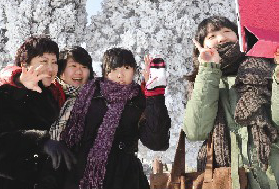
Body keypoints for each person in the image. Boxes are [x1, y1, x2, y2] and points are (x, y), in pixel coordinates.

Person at [183, 16, 279, 189]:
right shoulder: (199, 83)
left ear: (240, 37)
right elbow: (196, 131)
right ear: (201, 46)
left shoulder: (270, 67)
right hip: (228, 180)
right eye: (211, 36)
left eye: (227, 31)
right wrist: (207, 71)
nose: (221, 38)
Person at [37, 47, 171, 189]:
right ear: (105, 73)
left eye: (126, 68)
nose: (120, 74)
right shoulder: (88, 92)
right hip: (78, 174)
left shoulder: (140, 100)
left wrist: (154, 95)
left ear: (134, 70)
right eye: (113, 69)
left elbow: (157, 142)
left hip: (123, 178)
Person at [0, 36, 76, 189]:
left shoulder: (51, 95)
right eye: (43, 61)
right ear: (24, 65)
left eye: (54, 62)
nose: (50, 68)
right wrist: (40, 141)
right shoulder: (8, 93)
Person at [49, 46, 94, 140]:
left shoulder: (96, 98)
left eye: (84, 67)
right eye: (73, 66)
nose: (79, 72)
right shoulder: (49, 94)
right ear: (61, 72)